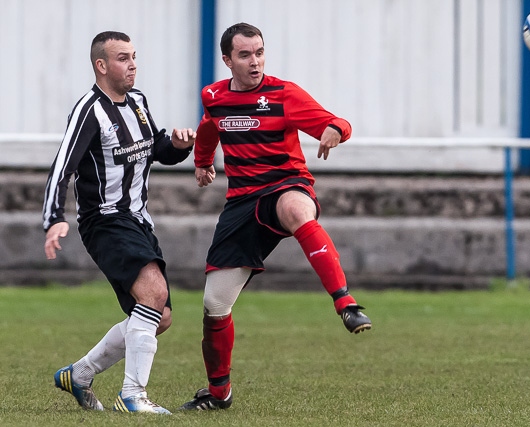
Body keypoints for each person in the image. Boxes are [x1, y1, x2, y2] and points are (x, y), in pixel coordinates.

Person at [178, 22, 372, 411]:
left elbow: (337, 122)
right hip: (240, 205)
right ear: (227, 59)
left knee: (295, 209)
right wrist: (201, 163)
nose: (255, 62)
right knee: (215, 305)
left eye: (260, 52)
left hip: (285, 183)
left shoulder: (284, 94)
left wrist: (335, 129)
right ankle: (219, 395)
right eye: (246, 55)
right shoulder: (214, 96)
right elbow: (209, 128)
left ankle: (346, 303)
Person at [43, 31, 196, 414]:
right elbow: (62, 167)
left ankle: (79, 374)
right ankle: (133, 396)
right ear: (102, 65)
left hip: (139, 220)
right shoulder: (88, 110)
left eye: (134, 57)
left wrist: (179, 146)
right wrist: (54, 219)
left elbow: (156, 149)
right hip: (106, 220)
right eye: (123, 58)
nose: (133, 65)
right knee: (153, 293)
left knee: (158, 317)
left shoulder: (139, 102)